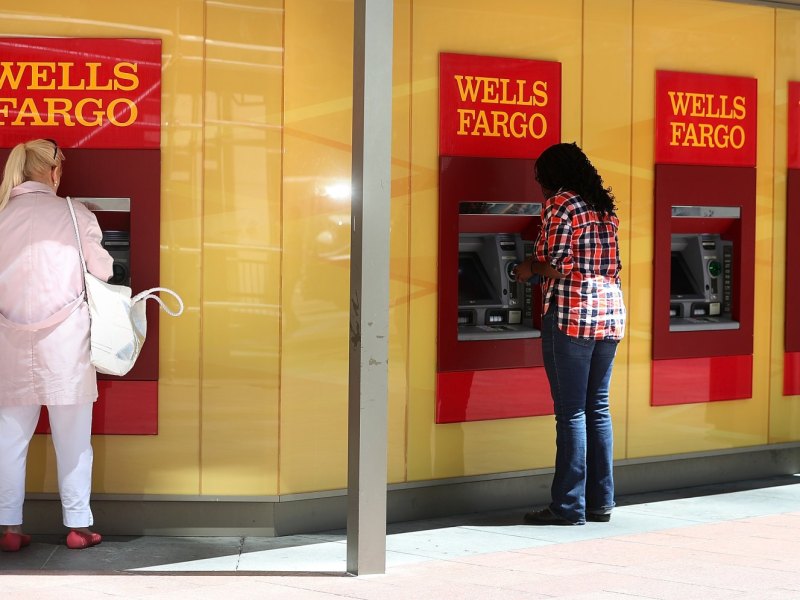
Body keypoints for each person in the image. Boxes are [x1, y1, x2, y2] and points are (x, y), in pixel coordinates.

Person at [0, 139, 113, 551]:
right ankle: (78, 527)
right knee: (73, 440)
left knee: (8, 439)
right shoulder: (73, 212)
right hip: (66, 344)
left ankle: (8, 528)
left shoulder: (0, 215)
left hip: (8, 342)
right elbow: (101, 270)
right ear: (54, 171)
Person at [514, 142, 626, 526]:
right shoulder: (603, 208)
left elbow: (557, 265)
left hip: (573, 314)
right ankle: (600, 502)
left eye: (540, 178)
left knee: (572, 412)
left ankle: (567, 507)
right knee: (597, 407)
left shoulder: (561, 203)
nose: (540, 186)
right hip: (609, 313)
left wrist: (525, 268)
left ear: (551, 175)